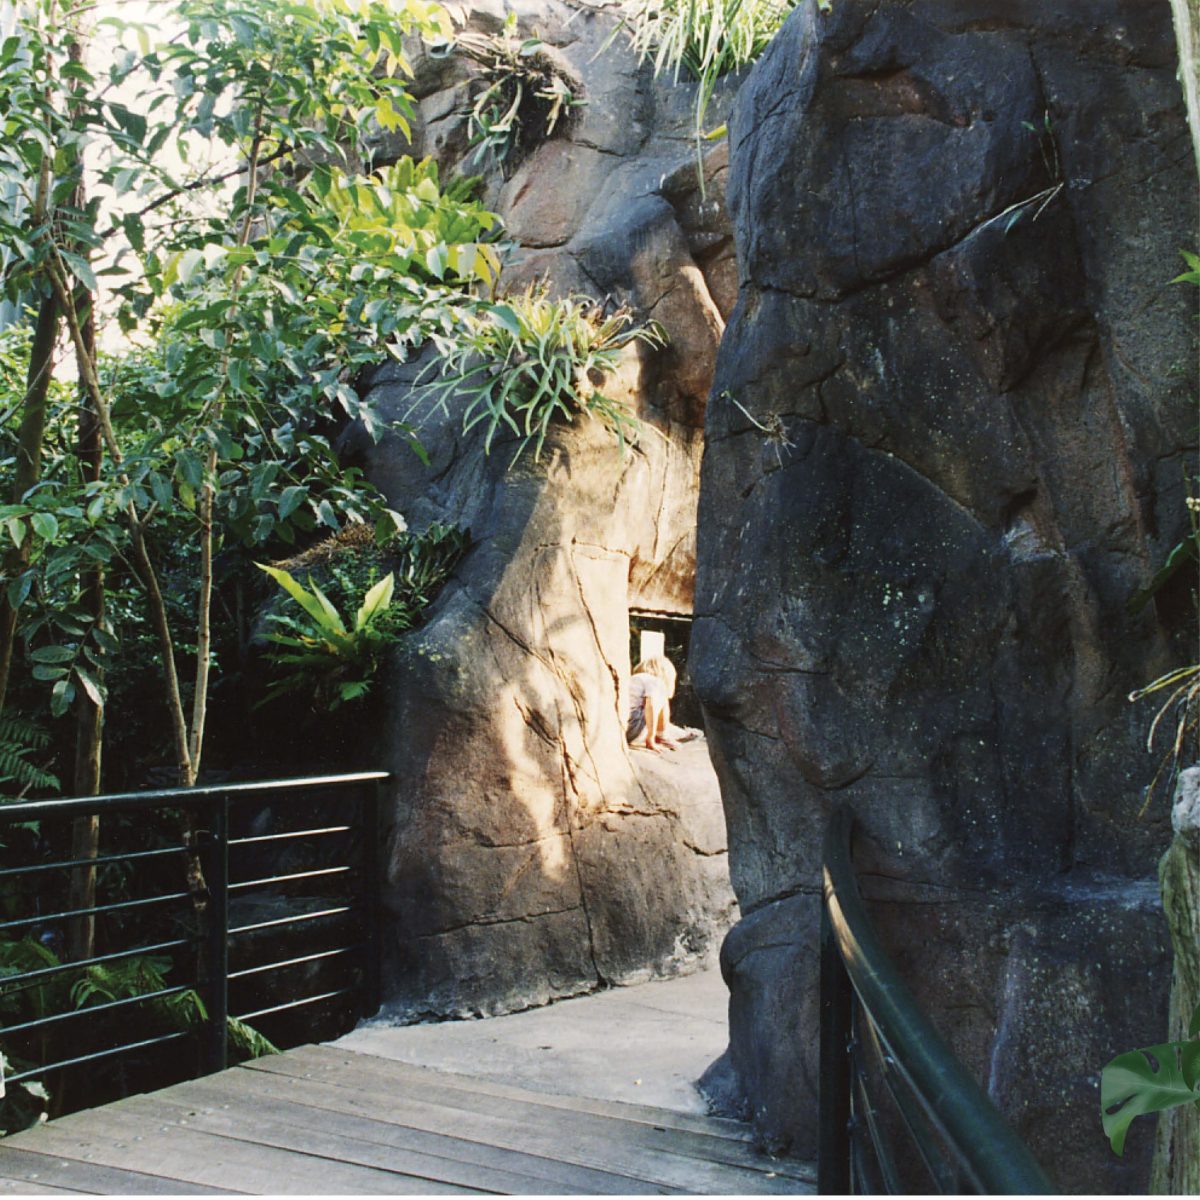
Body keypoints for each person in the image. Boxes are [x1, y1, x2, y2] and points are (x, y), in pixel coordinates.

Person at [626, 654, 699, 751]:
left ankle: (681, 734)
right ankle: (662, 736)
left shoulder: (634, 679)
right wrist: (650, 738)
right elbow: (651, 705)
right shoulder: (656, 682)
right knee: (662, 699)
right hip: (633, 726)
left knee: (665, 724)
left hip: (623, 726)